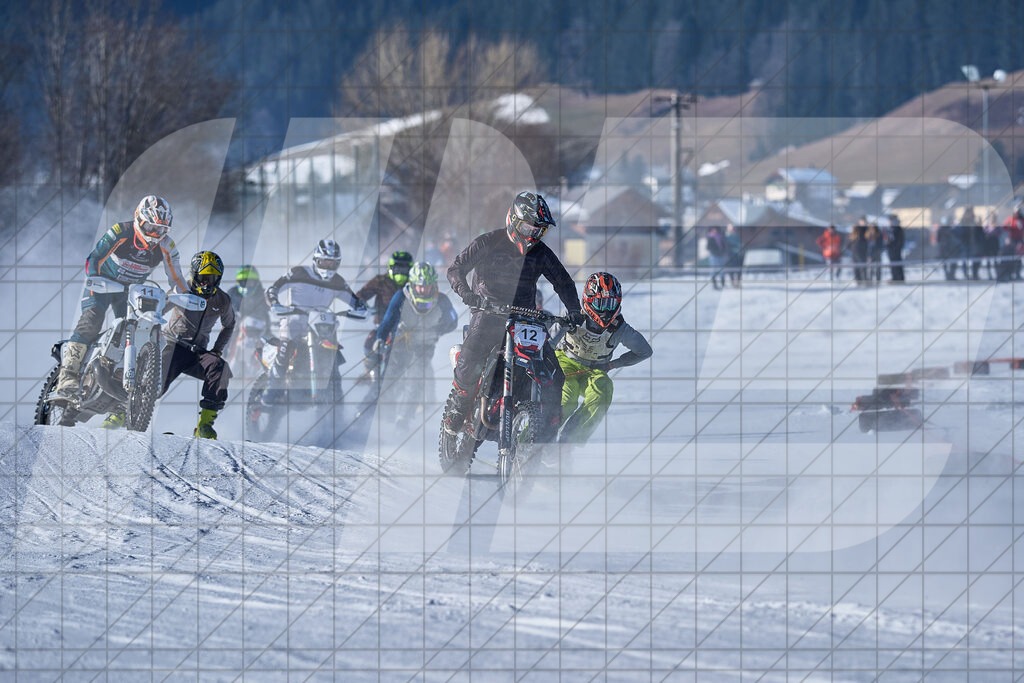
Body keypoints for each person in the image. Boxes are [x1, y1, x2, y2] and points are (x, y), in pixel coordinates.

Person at [442, 191, 583, 439]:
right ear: (514, 220)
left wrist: (573, 310)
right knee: (470, 358)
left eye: (540, 230)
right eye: (530, 227)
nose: (534, 234)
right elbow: (456, 269)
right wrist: (466, 293)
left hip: (525, 317)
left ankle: (547, 429)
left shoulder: (541, 252)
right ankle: (460, 404)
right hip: (488, 311)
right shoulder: (488, 242)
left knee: (553, 373)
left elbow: (563, 282)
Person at [51, 195, 187, 402]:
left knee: (137, 330)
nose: (154, 234)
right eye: (150, 227)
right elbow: (94, 258)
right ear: (139, 220)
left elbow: (177, 277)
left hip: (130, 291)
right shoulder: (120, 231)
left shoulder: (168, 246)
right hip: (102, 284)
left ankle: (117, 377)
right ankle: (67, 376)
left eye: (160, 230)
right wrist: (94, 278)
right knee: (92, 318)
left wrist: (185, 295)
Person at [263, 238, 368, 403]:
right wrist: (275, 303)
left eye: (333, 264)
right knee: (288, 336)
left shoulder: (338, 282)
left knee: (334, 351)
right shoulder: (299, 273)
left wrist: (361, 309)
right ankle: (272, 389)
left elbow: (356, 302)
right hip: (295, 319)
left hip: (321, 325)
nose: (328, 267)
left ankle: (336, 409)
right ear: (316, 259)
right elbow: (273, 288)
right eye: (325, 262)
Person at [553, 272, 652, 444]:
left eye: (610, 303)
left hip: (595, 369)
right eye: (601, 303)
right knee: (567, 397)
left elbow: (644, 351)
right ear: (589, 300)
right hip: (564, 361)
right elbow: (548, 340)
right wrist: (562, 325)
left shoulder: (619, 328)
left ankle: (567, 443)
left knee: (603, 390)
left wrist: (613, 364)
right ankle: (533, 439)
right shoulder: (573, 313)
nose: (606, 310)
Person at [159, 251, 236, 439]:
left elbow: (229, 324)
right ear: (194, 274)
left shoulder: (222, 300)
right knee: (156, 386)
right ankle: (121, 413)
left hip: (197, 353)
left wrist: (217, 349)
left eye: (213, 278)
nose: (207, 282)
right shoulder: (181, 289)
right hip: (172, 345)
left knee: (220, 369)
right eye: (203, 277)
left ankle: (204, 426)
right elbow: (159, 308)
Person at [369, 262, 458, 422]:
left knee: (417, 377)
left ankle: (404, 418)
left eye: (427, 286)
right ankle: (385, 416)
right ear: (412, 284)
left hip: (425, 345)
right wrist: (380, 338)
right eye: (419, 286)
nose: (423, 290)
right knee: (391, 374)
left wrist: (437, 331)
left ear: (433, 285)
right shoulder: (401, 296)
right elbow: (388, 321)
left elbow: (453, 321)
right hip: (401, 341)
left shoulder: (442, 300)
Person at [356, 250, 413, 369]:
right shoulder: (380, 281)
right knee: (369, 346)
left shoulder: (413, 284)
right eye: (398, 269)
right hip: (382, 326)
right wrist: (363, 306)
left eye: (405, 270)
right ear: (391, 268)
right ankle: (372, 373)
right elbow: (361, 295)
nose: (401, 273)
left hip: (406, 328)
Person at [225, 265, 271, 370]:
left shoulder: (262, 294)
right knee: (226, 341)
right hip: (237, 326)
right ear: (238, 282)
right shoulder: (232, 294)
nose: (248, 285)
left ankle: (265, 366)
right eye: (244, 282)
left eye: (250, 282)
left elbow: (268, 312)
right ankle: (226, 361)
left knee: (271, 343)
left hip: (259, 327)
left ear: (256, 282)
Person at [886, 215, 905, 282]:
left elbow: (899, 241)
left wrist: (895, 247)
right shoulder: (891, 229)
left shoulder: (897, 229)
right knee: (893, 264)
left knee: (897, 264)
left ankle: (899, 278)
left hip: (896, 250)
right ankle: (895, 277)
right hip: (891, 250)